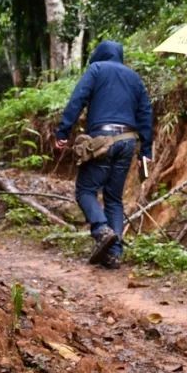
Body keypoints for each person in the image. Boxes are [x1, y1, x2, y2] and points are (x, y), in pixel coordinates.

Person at [54, 40, 154, 269]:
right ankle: (114, 253)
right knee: (114, 198)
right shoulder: (134, 78)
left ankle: (101, 229)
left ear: (100, 54)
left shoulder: (96, 69)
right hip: (128, 142)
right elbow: (145, 113)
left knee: (85, 191)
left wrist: (63, 131)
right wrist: (146, 150)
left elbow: (78, 99)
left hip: (102, 141)